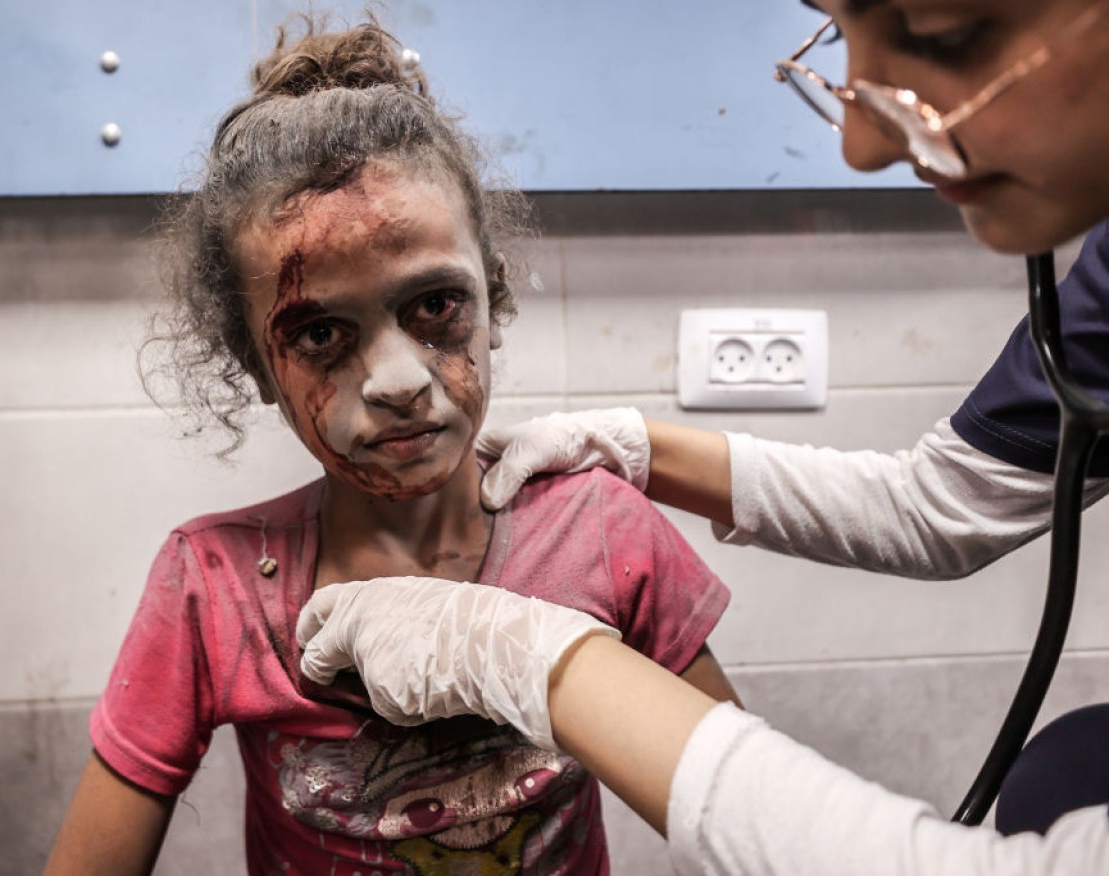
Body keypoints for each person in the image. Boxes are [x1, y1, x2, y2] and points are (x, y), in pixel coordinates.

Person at [296, 0, 1109, 873]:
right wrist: (638, 445)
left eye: (942, 33)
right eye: (834, 43)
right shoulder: (207, 575)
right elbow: (942, 504)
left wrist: (531, 662)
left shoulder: (602, 535)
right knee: (1060, 771)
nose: (861, 150)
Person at [43, 16, 739, 875]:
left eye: (436, 306)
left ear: (493, 294)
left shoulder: (602, 531)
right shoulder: (213, 587)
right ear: (255, 365)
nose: (397, 379)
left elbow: (742, 816)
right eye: (321, 333)